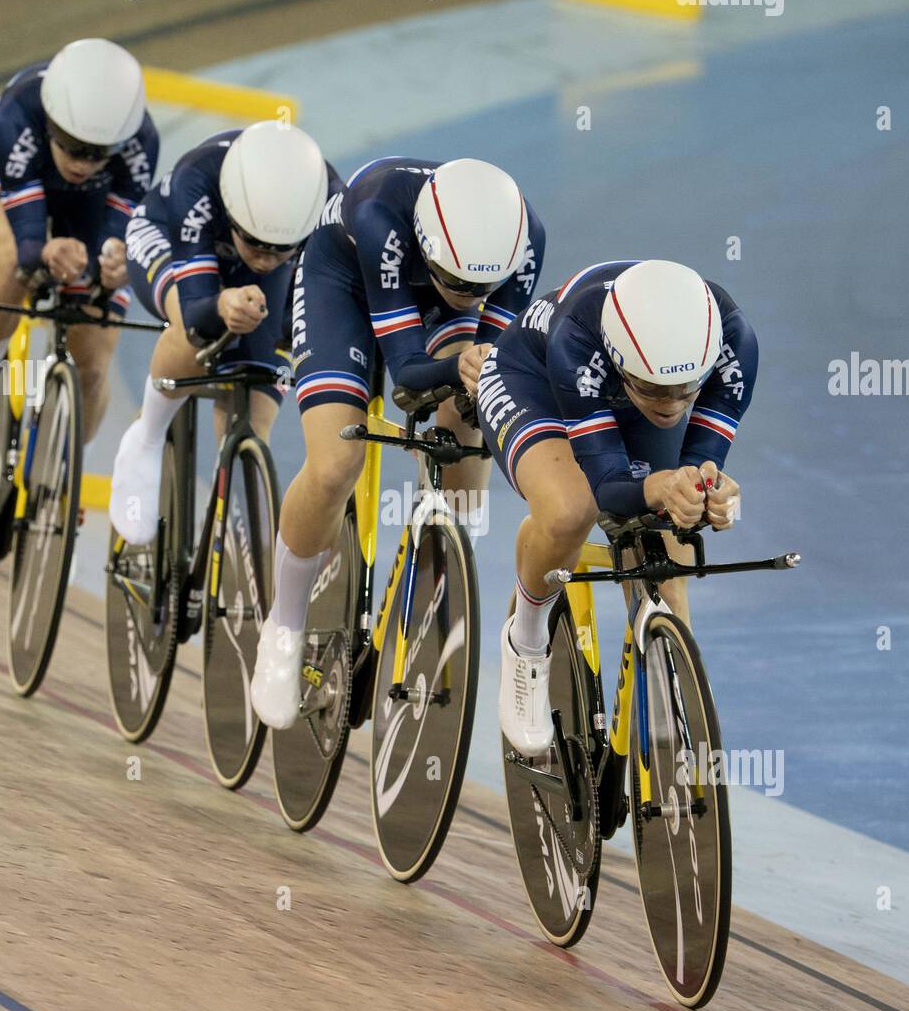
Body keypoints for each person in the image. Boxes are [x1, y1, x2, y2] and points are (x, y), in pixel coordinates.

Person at [249, 156, 546, 729]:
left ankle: (438, 566)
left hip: (424, 298)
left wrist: (478, 374)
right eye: (459, 282)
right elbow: (409, 371)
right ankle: (283, 626)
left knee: (468, 419)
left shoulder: (524, 237)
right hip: (345, 286)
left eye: (482, 287)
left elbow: (490, 359)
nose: (470, 294)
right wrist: (457, 364)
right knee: (337, 461)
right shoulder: (381, 211)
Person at [475, 259, 757, 756]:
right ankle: (527, 640)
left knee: (669, 539)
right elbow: (607, 486)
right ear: (621, 358)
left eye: (686, 389)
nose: (671, 405)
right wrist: (659, 487)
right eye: (654, 389)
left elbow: (697, 466)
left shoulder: (735, 343)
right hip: (535, 380)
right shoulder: (576, 336)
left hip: (617, 391)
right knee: (569, 510)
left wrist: (709, 492)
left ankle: (665, 690)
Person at [0, 38, 158, 483]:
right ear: (54, 123)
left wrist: (112, 263)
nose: (83, 161)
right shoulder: (18, 110)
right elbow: (27, 240)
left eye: (98, 152)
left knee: (93, 362)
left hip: (90, 204)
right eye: (73, 146)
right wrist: (43, 252)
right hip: (3, 165)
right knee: (13, 263)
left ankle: (65, 481)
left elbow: (120, 230)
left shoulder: (141, 141)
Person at [107, 121, 338, 544]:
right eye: (255, 244)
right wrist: (220, 304)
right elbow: (198, 311)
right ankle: (147, 437)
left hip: (254, 270)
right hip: (167, 238)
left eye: (279, 249)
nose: (266, 259)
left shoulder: (327, 200)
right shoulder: (198, 176)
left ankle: (235, 506)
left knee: (255, 409)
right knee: (194, 327)